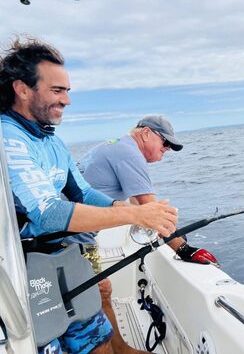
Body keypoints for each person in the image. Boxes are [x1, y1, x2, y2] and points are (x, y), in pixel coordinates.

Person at [0, 37, 177, 354]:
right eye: (57, 90)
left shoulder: (52, 141)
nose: (66, 100)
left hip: (63, 256)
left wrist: (118, 206)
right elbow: (49, 212)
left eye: (67, 91)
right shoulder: (8, 138)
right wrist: (135, 214)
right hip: (23, 272)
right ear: (22, 88)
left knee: (97, 340)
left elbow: (81, 192)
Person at [72, 115, 219, 352]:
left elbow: (140, 210)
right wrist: (183, 249)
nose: (167, 150)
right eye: (165, 143)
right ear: (146, 133)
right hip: (68, 238)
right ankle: (118, 349)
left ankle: (118, 347)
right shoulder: (129, 153)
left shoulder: (117, 146)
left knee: (101, 290)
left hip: (74, 233)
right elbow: (152, 213)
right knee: (100, 290)